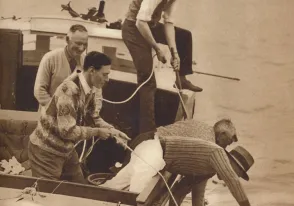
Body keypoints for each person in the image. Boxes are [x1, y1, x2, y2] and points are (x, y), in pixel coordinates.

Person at [102, 119, 258, 206]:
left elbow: (185, 187)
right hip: (154, 151)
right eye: (237, 172)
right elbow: (232, 181)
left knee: (112, 186)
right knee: (136, 200)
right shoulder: (217, 153)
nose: (235, 175)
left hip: (151, 149)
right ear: (230, 161)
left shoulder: (209, 166)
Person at [28, 51, 130, 183]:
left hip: (66, 150)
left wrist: (113, 131)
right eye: (105, 74)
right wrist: (97, 132)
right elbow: (67, 131)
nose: (107, 79)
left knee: (80, 188)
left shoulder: (90, 89)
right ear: (92, 70)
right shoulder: (69, 90)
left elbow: (94, 118)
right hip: (45, 152)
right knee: (48, 194)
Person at [122, 0, 202, 134]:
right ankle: (147, 131)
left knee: (184, 36)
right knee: (148, 81)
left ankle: (181, 79)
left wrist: (174, 53)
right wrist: (157, 49)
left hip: (150, 26)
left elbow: (168, 22)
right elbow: (140, 22)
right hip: (133, 29)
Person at [34, 24, 103, 118]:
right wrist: (58, 112)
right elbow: (39, 91)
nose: (82, 48)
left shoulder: (88, 61)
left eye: (85, 44)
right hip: (50, 117)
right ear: (67, 40)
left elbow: (97, 89)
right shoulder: (50, 58)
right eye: (78, 43)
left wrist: (95, 112)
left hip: (76, 120)